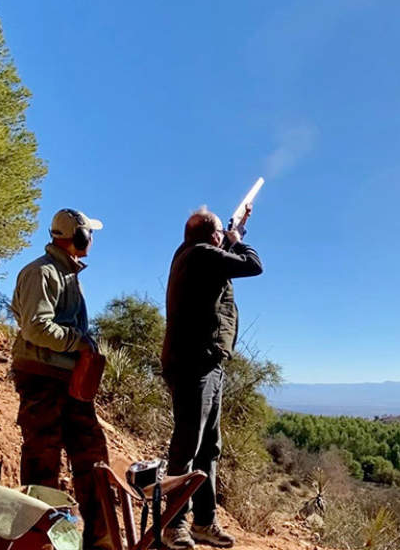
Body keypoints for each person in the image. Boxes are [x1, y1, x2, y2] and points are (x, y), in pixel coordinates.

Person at [10, 208, 113, 550]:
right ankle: (37, 539)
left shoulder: (66, 274)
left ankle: (100, 535)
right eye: (90, 234)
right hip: (42, 379)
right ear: (79, 236)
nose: (93, 241)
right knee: (43, 457)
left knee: (92, 456)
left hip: (67, 381)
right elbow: (36, 327)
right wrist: (78, 342)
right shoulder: (40, 272)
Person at [161, 206, 263, 549]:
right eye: (220, 232)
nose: (224, 237)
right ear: (212, 236)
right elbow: (253, 265)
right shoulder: (200, 255)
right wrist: (238, 240)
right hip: (193, 363)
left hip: (206, 363)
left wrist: (236, 231)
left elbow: (225, 259)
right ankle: (173, 525)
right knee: (187, 444)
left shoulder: (197, 255)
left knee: (209, 447)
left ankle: (204, 522)